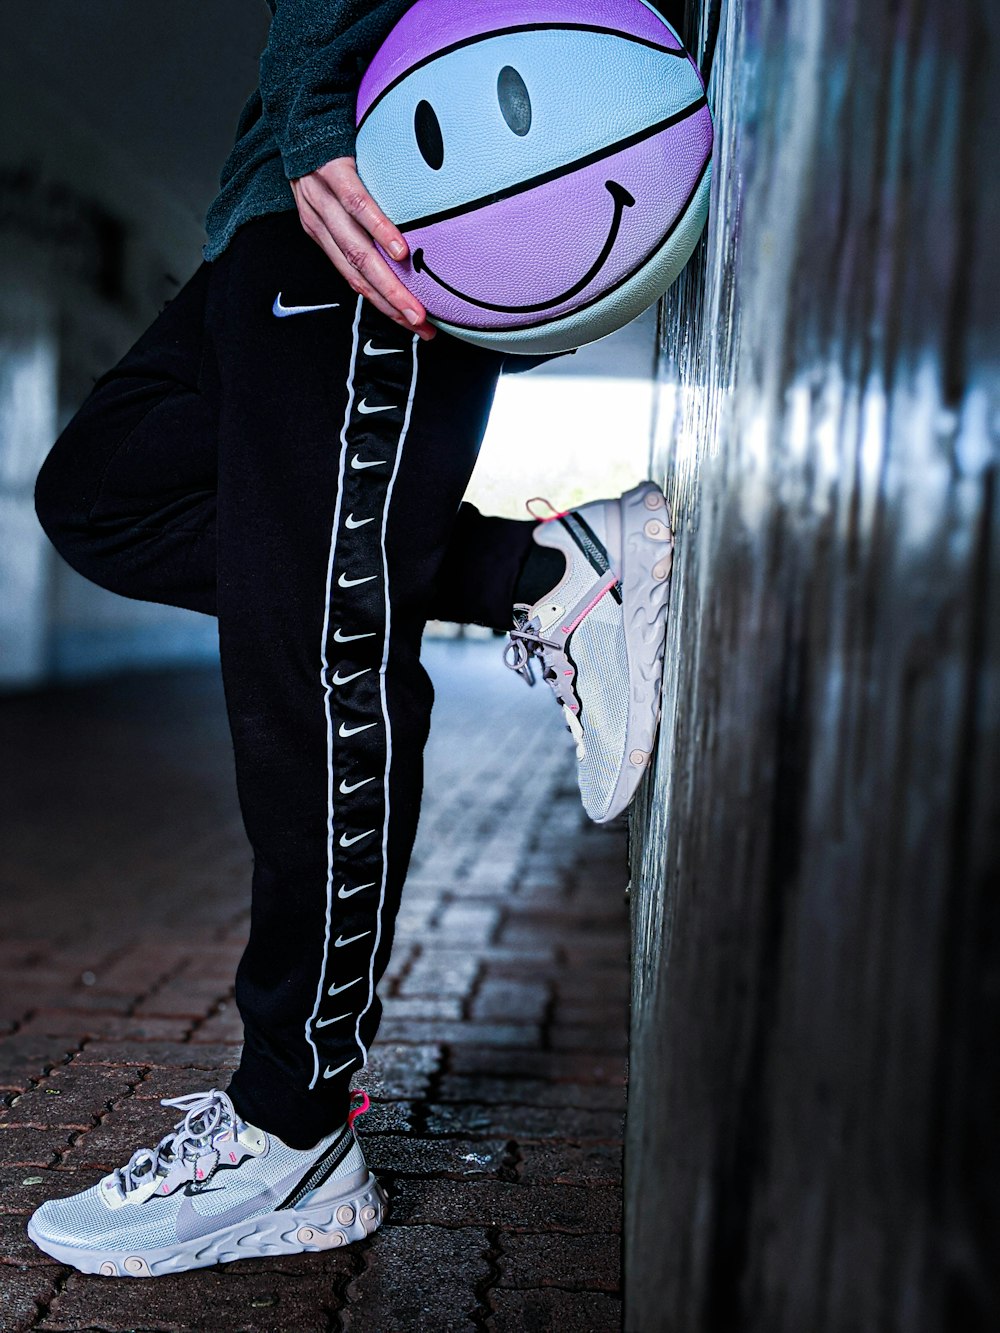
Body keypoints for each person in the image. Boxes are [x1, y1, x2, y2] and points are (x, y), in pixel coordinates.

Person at [26, 0, 673, 1277]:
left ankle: (292, 1128)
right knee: (97, 494)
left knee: (307, 660)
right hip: (272, 212)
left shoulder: (365, 137)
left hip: (385, 178)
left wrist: (325, 106)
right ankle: (547, 570)